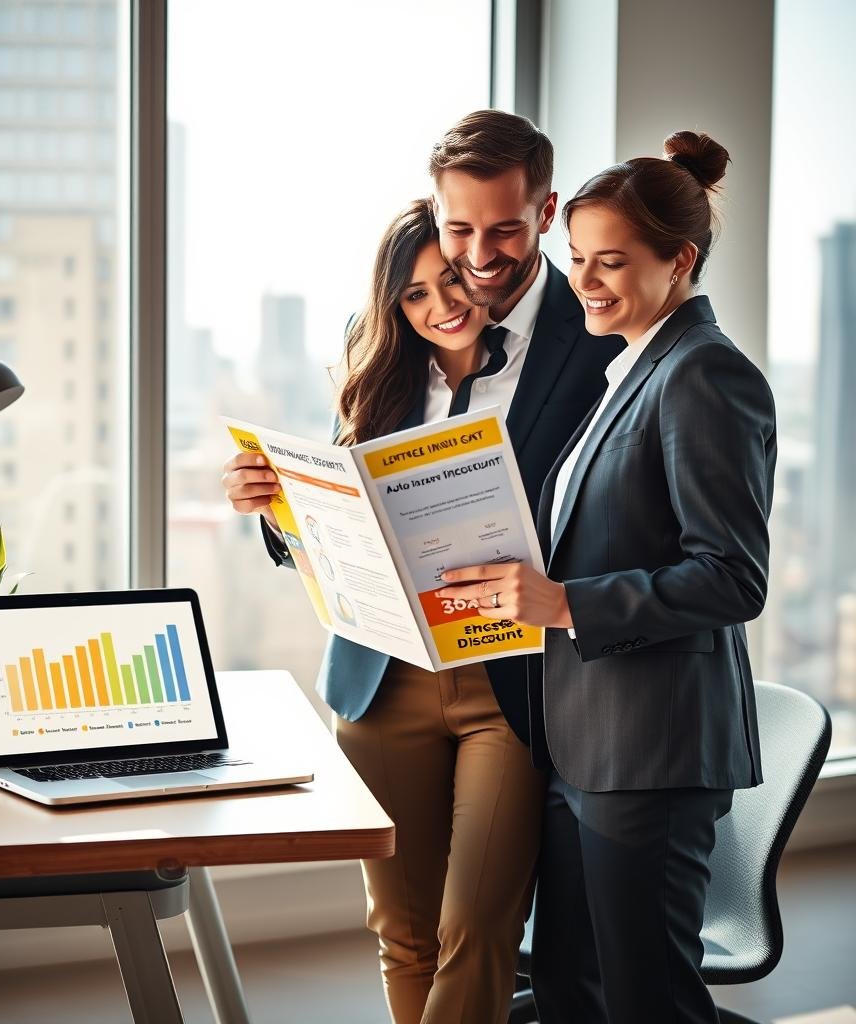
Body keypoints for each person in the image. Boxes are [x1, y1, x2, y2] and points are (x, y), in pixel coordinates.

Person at [221, 111, 622, 1024]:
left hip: (513, 682)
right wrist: (273, 509)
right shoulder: (384, 354)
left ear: (544, 215)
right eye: (445, 254)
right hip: (384, 676)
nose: (462, 281)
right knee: (399, 930)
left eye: (497, 238)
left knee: (477, 927)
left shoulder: (588, 331)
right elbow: (329, 523)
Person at [436, 130, 777, 1023]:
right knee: (571, 995)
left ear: (680, 261)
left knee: (647, 1002)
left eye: (612, 263)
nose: (584, 281)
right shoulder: (631, 369)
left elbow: (731, 577)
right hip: (583, 744)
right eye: (577, 257)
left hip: (651, 752)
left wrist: (563, 603)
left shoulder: (704, 376)